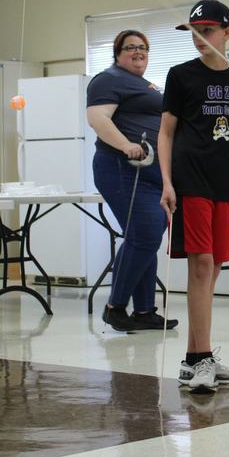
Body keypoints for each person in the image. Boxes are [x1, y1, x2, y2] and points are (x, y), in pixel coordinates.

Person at [158, 0, 229, 392]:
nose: (200, 39)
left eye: (207, 31)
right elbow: (166, 132)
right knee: (201, 265)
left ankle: (194, 360)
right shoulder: (180, 75)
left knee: (214, 269)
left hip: (224, 185)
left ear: (228, 32)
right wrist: (167, 182)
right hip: (190, 181)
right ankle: (202, 360)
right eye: (194, 32)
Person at [86, 29, 177, 333]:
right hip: (122, 167)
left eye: (143, 48)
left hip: (150, 172)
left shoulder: (145, 84)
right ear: (117, 53)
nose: (138, 52)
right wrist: (126, 145)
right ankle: (115, 307)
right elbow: (99, 118)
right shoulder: (107, 79)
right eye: (130, 48)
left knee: (145, 235)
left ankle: (144, 311)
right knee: (147, 231)